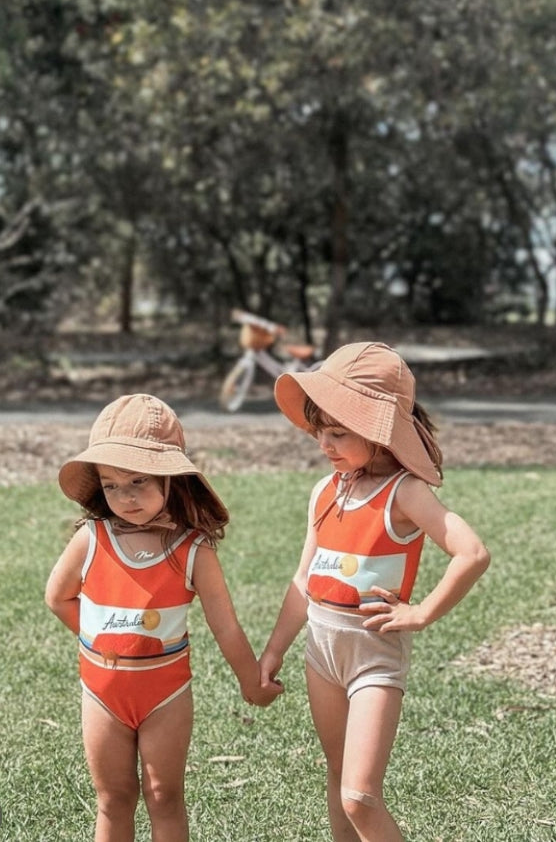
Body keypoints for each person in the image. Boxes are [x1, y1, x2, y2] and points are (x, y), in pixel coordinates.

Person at [259, 342, 490, 842]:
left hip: (374, 658)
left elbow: (472, 552)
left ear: (380, 432)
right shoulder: (325, 491)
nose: (325, 444)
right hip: (320, 654)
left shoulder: (405, 492)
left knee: (360, 796)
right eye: (320, 431)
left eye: (339, 432)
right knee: (338, 778)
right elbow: (304, 580)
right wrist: (275, 649)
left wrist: (423, 612)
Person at [45, 393, 283, 842]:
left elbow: (225, 626)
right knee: (113, 797)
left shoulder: (194, 550)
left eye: (138, 481)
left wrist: (251, 681)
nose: (124, 497)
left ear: (172, 480)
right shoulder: (91, 539)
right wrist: (103, 644)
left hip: (166, 694)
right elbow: (58, 598)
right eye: (112, 485)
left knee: (163, 795)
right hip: (102, 693)